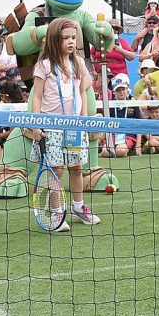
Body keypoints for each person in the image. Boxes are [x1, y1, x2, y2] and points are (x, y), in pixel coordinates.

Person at [29, 18, 100, 231]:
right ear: (53, 40)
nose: (70, 42)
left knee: (77, 168)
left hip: (74, 127)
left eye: (73, 38)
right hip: (51, 127)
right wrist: (36, 124)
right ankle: (56, 213)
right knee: (56, 171)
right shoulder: (44, 65)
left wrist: (84, 120)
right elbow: (37, 97)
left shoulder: (78, 63)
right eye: (65, 38)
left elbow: (82, 90)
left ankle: (78, 207)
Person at [99, 74, 143, 158]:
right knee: (105, 152)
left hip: (128, 135)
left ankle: (129, 149)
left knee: (120, 151)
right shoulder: (110, 105)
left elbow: (139, 125)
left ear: (127, 90)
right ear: (114, 92)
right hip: (113, 135)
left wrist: (138, 144)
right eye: (118, 90)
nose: (121, 92)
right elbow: (106, 124)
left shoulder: (133, 104)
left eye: (123, 89)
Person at [89, 18, 134, 88]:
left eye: (116, 29)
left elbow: (132, 57)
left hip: (119, 76)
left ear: (118, 31)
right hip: (101, 75)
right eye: (111, 28)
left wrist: (121, 50)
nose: (114, 30)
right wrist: (93, 70)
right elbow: (91, 55)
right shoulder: (99, 41)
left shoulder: (122, 42)